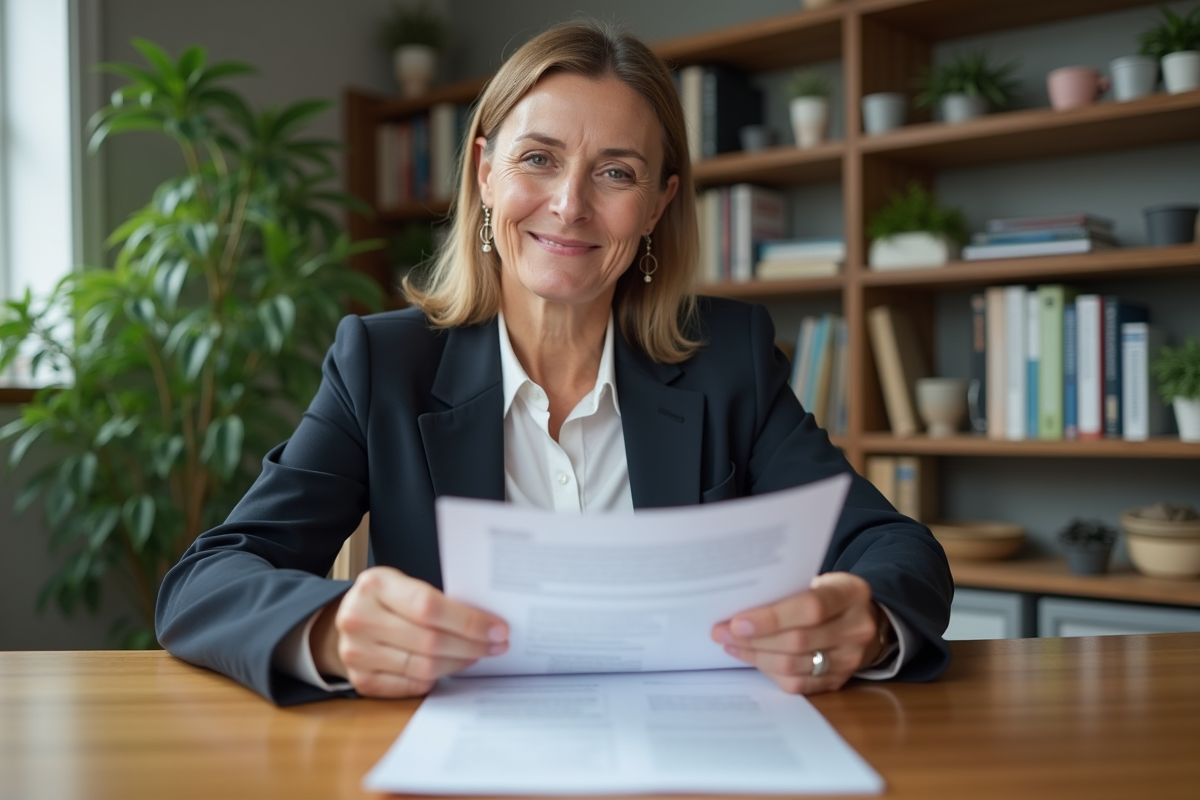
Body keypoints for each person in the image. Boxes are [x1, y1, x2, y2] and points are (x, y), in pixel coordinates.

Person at [156, 20, 953, 707]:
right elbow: (207, 581)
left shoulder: (729, 362)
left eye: (616, 172)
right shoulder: (381, 365)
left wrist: (863, 616)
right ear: (484, 173)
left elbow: (896, 549)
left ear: (656, 207)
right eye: (538, 158)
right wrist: (329, 632)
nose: (570, 204)